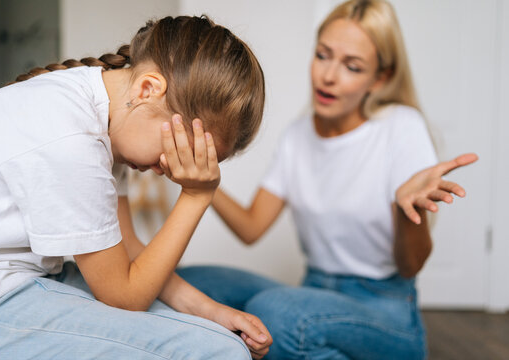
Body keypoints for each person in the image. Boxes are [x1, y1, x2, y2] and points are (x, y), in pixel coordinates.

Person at [177, 1, 478, 359]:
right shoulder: (298, 136)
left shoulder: (401, 125)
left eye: (352, 66)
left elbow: (411, 265)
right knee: (192, 283)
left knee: (276, 314)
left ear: (379, 78)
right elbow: (251, 227)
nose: (329, 76)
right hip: (315, 291)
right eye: (323, 56)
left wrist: (403, 208)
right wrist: (201, 183)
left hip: (385, 308)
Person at [0, 15, 273, 359]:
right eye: (178, 149)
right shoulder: (71, 136)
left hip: (21, 279)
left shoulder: (103, 117)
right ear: (147, 89)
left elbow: (128, 248)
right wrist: (197, 196)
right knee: (221, 352)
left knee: (218, 336)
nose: (171, 169)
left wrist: (213, 312)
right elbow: (125, 295)